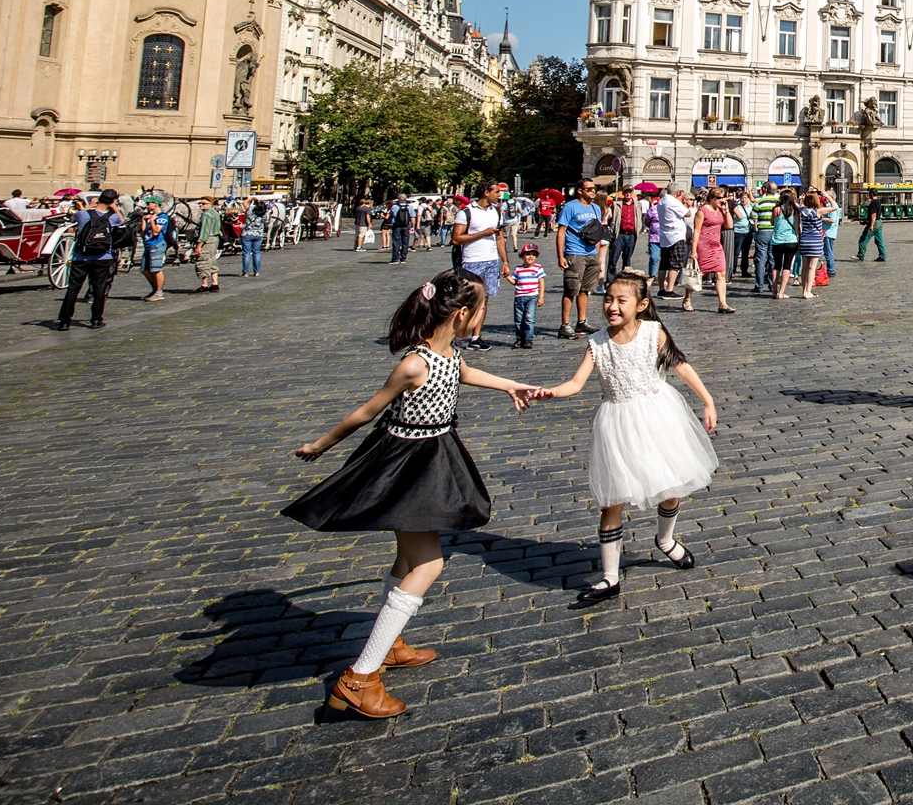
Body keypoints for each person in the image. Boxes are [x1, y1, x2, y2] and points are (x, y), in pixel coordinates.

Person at [281, 270, 544, 718]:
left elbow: (463, 373)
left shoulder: (448, 353)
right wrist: (321, 446)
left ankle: (389, 644)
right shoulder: (414, 363)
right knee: (429, 562)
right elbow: (367, 411)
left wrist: (510, 385)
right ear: (462, 314)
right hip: (408, 464)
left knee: (406, 561)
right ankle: (360, 678)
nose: (482, 318)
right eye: (482, 310)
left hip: (434, 453)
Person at [534, 272, 719, 604]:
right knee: (612, 500)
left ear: (641, 305)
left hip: (658, 418)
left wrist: (707, 400)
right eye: (608, 299)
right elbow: (576, 384)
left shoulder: (653, 333)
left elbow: (681, 366)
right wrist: (550, 392)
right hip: (616, 424)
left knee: (670, 487)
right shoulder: (597, 343)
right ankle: (609, 576)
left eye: (621, 300)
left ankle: (665, 540)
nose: (612, 306)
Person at [56, 188, 125, 330]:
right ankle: (96, 320)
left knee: (73, 289)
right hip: (103, 256)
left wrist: (89, 206)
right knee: (99, 288)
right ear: (112, 201)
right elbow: (121, 221)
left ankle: (65, 321)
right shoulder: (112, 217)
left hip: (81, 257)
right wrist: (114, 208)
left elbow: (72, 219)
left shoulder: (83, 215)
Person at [453, 184, 512, 349]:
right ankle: (453, 335)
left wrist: (505, 262)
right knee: (465, 300)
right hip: (471, 261)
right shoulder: (466, 212)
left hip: (491, 261)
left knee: (484, 300)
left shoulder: (496, 212)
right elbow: (456, 239)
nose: (499, 195)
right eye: (497, 192)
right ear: (486, 193)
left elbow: (499, 238)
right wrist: (482, 234)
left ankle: (475, 337)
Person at [557, 178, 603, 339]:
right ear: (580, 191)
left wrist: (597, 256)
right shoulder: (570, 207)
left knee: (586, 289)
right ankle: (565, 325)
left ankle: (581, 321)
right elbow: (561, 231)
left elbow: (596, 232)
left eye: (594, 188)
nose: (593, 191)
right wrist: (560, 256)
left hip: (591, 254)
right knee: (571, 290)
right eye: (589, 189)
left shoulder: (596, 208)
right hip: (574, 252)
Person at [693, 187, 733, 313]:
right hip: (703, 245)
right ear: (711, 198)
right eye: (718, 198)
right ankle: (687, 299)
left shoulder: (721, 210)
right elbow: (697, 230)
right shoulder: (702, 211)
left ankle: (723, 303)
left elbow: (729, 225)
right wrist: (693, 250)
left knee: (721, 273)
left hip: (716, 246)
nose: (721, 200)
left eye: (722, 197)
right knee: (697, 274)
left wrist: (726, 211)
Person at [509, 243, 546, 348]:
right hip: (519, 297)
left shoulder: (538, 268)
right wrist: (507, 277)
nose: (530, 257)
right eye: (528, 254)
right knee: (518, 319)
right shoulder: (518, 269)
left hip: (532, 297)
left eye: (533, 254)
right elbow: (515, 282)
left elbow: (541, 282)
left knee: (529, 318)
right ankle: (519, 338)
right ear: (522, 256)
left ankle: (528, 339)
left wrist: (541, 296)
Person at [657, 188, 691, 298]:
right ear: (677, 192)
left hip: (665, 235)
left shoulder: (662, 201)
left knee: (663, 264)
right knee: (674, 264)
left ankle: (661, 289)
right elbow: (688, 213)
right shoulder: (673, 201)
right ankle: (669, 290)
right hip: (675, 236)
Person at [770, 189, 801, 299]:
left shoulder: (776, 209)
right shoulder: (795, 211)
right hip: (791, 241)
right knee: (787, 266)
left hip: (777, 241)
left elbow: (772, 222)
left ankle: (774, 290)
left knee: (776, 266)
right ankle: (781, 292)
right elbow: (797, 228)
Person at [798, 188, 829, 297]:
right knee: (812, 267)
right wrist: (826, 196)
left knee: (805, 267)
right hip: (815, 240)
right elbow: (835, 207)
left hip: (804, 240)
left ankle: (803, 291)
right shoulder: (818, 211)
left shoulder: (801, 211)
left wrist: (801, 199)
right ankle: (808, 291)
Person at [191, 196, 224, 291]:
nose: (201, 205)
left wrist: (198, 246)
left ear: (210, 204)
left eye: (204, 203)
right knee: (212, 260)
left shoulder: (207, 215)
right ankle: (214, 283)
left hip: (208, 239)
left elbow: (204, 232)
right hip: (215, 239)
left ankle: (204, 285)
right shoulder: (215, 213)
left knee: (203, 260)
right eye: (200, 203)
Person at [607, 187, 640, 281]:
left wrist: (638, 228)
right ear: (623, 193)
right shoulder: (616, 204)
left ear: (632, 193)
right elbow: (611, 219)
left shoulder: (637, 205)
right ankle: (610, 280)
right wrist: (612, 230)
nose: (628, 194)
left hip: (631, 234)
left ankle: (624, 280)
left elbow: (639, 218)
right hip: (619, 234)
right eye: (626, 192)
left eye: (630, 192)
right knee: (613, 258)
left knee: (627, 259)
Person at [752, 182, 778, 291]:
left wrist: (756, 225)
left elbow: (753, 215)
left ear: (765, 190)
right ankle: (772, 284)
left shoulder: (760, 201)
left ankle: (759, 285)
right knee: (773, 259)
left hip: (763, 231)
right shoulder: (779, 202)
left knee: (760, 259)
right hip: (775, 232)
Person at [857, 189, 887, 262]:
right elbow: (872, 215)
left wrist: (871, 225)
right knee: (879, 240)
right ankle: (882, 255)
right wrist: (865, 221)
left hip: (874, 223)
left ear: (871, 194)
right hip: (879, 222)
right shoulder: (878, 202)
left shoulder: (873, 203)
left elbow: (873, 215)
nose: (868, 194)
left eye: (869, 193)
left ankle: (860, 255)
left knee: (863, 239)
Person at [241, 200, 266, 277]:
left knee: (246, 253)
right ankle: (257, 272)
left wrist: (252, 198)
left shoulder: (250, 211)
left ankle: (245, 272)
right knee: (256, 253)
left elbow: (244, 202)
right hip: (258, 235)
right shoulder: (265, 214)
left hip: (247, 234)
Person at [388, 194, 414, 264]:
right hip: (406, 225)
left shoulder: (394, 207)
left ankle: (395, 258)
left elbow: (390, 215)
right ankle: (403, 258)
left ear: (399, 199)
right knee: (405, 242)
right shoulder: (409, 207)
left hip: (397, 225)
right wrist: (412, 227)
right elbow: (412, 218)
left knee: (396, 242)